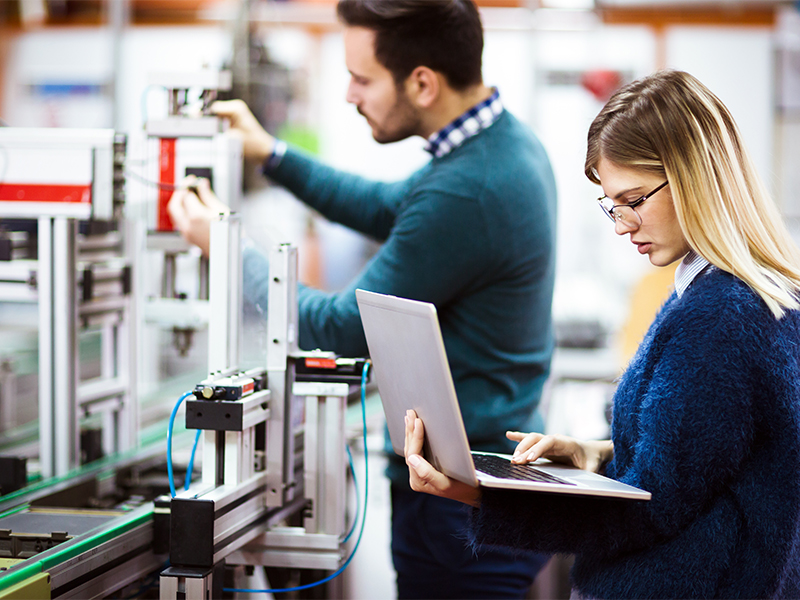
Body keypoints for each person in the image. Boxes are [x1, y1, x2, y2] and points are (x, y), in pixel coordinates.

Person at [167, 1, 557, 597]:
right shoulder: (500, 145)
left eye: (362, 79)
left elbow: (338, 329)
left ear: (422, 83)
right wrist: (271, 154)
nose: (350, 94)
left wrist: (225, 246)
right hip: (479, 489)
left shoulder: (469, 189)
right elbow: (385, 205)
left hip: (460, 504)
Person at [403, 69, 800, 599]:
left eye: (634, 200)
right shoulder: (747, 296)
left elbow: (649, 511)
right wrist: (596, 455)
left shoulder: (720, 318)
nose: (621, 224)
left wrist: (476, 494)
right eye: (613, 205)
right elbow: (707, 469)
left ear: (694, 176)